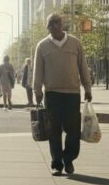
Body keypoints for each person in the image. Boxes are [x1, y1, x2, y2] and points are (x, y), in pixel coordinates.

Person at [33, 13, 92, 176]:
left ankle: (69, 159)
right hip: (52, 94)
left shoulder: (75, 43)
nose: (51, 27)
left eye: (54, 24)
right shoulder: (42, 46)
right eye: (49, 25)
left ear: (61, 25)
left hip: (72, 93)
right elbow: (38, 71)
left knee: (73, 131)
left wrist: (88, 88)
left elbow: (83, 67)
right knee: (54, 131)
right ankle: (57, 163)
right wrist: (37, 91)